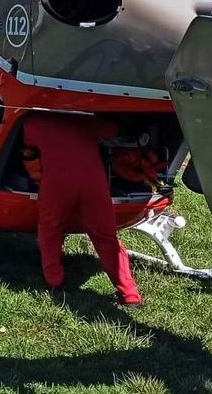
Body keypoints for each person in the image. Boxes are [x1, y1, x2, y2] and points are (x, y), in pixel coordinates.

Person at [23, 113, 144, 307]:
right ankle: (129, 294)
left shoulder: (33, 122)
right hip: (93, 183)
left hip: (56, 184)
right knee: (105, 237)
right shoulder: (86, 121)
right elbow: (112, 130)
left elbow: (28, 146)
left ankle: (54, 280)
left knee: (50, 230)